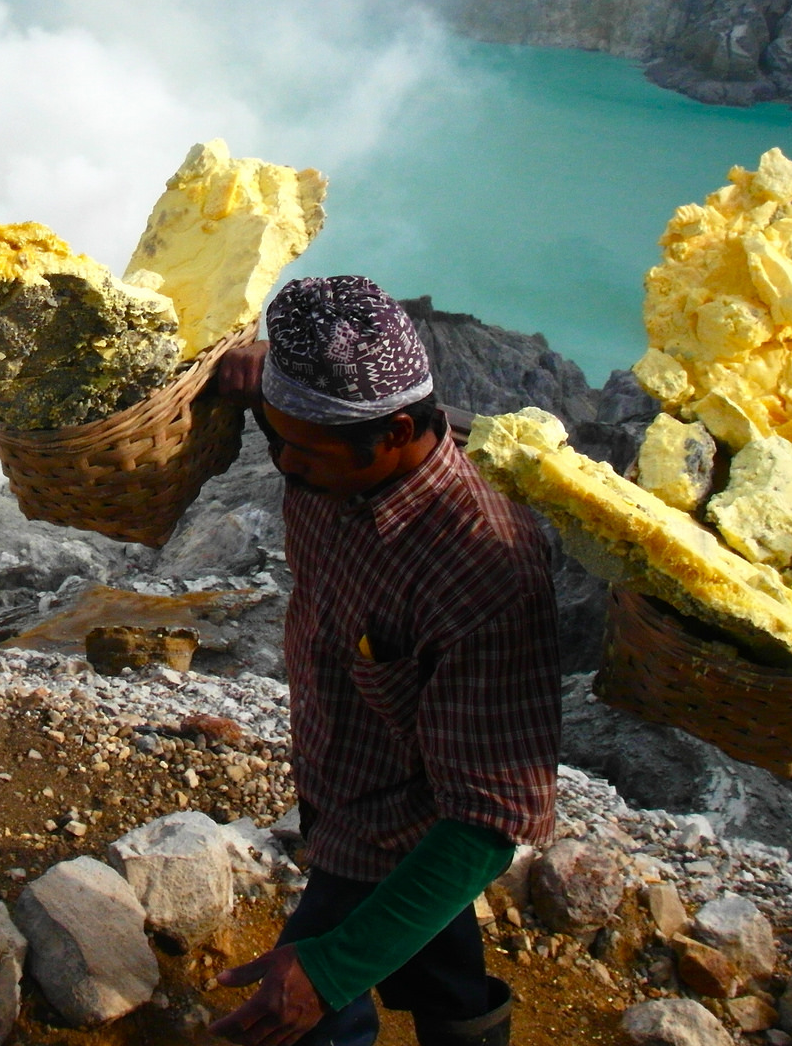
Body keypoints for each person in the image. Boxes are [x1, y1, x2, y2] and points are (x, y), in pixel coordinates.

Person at [206, 275, 560, 1046]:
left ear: (397, 432)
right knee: (440, 963)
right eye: (276, 439)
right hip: (337, 773)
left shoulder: (483, 568)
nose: (285, 467)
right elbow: (294, 419)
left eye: (304, 450)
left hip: (393, 822)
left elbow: (486, 820)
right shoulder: (328, 451)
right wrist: (255, 371)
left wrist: (332, 970)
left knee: (302, 1004)